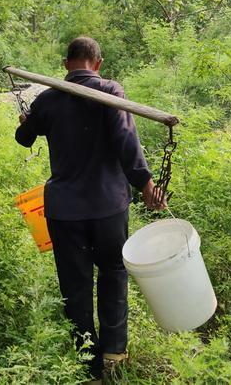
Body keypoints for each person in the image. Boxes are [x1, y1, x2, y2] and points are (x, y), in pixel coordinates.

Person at [14, 36, 165, 383]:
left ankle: (88, 366)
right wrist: (146, 185)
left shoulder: (48, 99)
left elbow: (24, 138)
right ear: (97, 63)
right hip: (108, 207)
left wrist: (28, 119)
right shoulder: (111, 91)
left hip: (64, 212)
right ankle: (114, 353)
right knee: (113, 273)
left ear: (67, 64)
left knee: (75, 286)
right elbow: (127, 141)